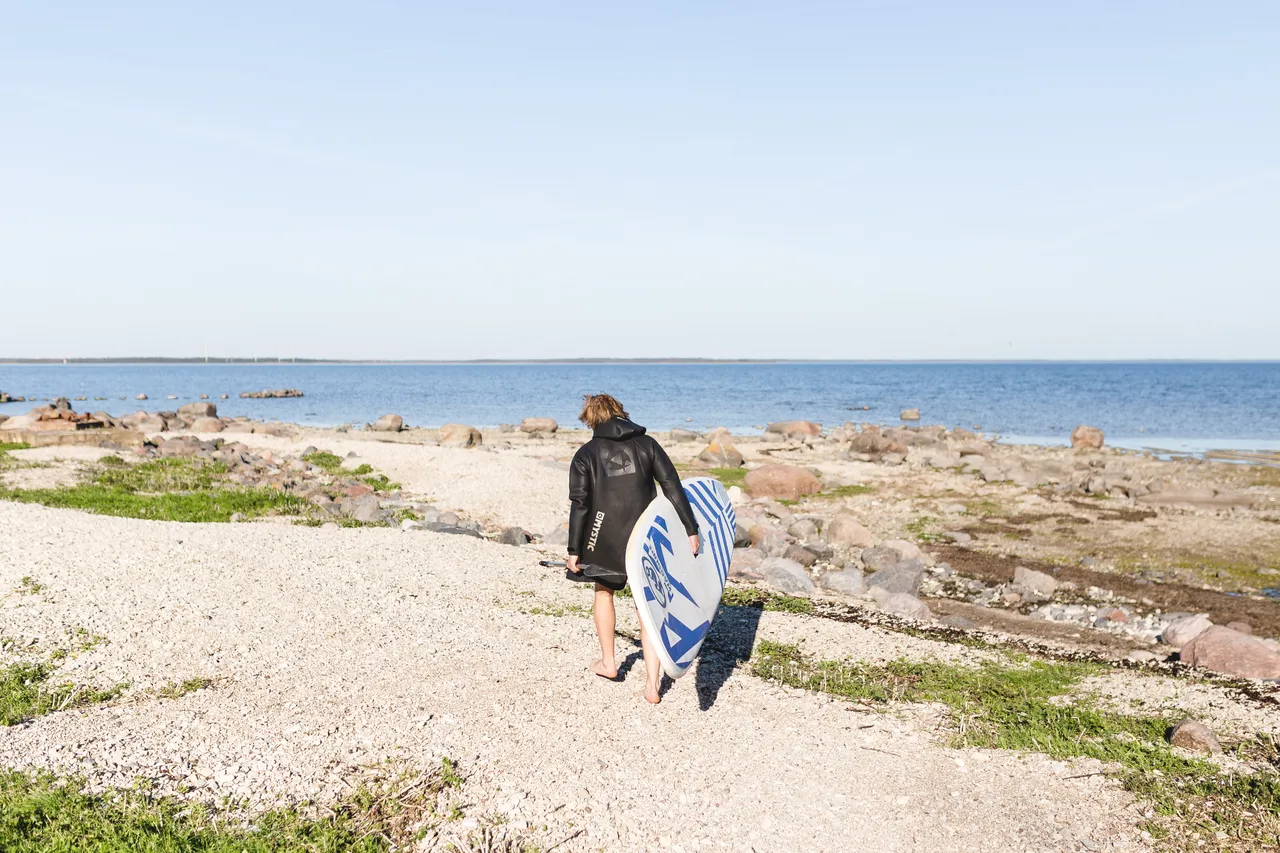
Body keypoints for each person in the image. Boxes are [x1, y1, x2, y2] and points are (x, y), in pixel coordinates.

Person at [566, 393, 699, 704]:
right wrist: (690, 528)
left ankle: (609, 663)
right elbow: (672, 486)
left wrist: (574, 548)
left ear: (591, 420)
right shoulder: (647, 444)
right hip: (644, 537)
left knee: (603, 591)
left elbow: (580, 504)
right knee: (646, 605)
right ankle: (652, 685)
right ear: (619, 412)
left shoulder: (586, 454)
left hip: (604, 537)